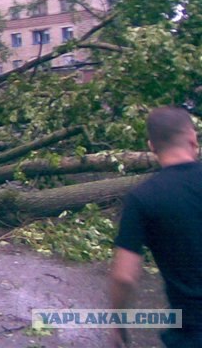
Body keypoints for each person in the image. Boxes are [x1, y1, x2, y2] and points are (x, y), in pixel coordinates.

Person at [110, 106, 201, 347]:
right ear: (193, 139)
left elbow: (124, 276)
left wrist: (118, 323)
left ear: (152, 146)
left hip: (192, 331)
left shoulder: (143, 198)